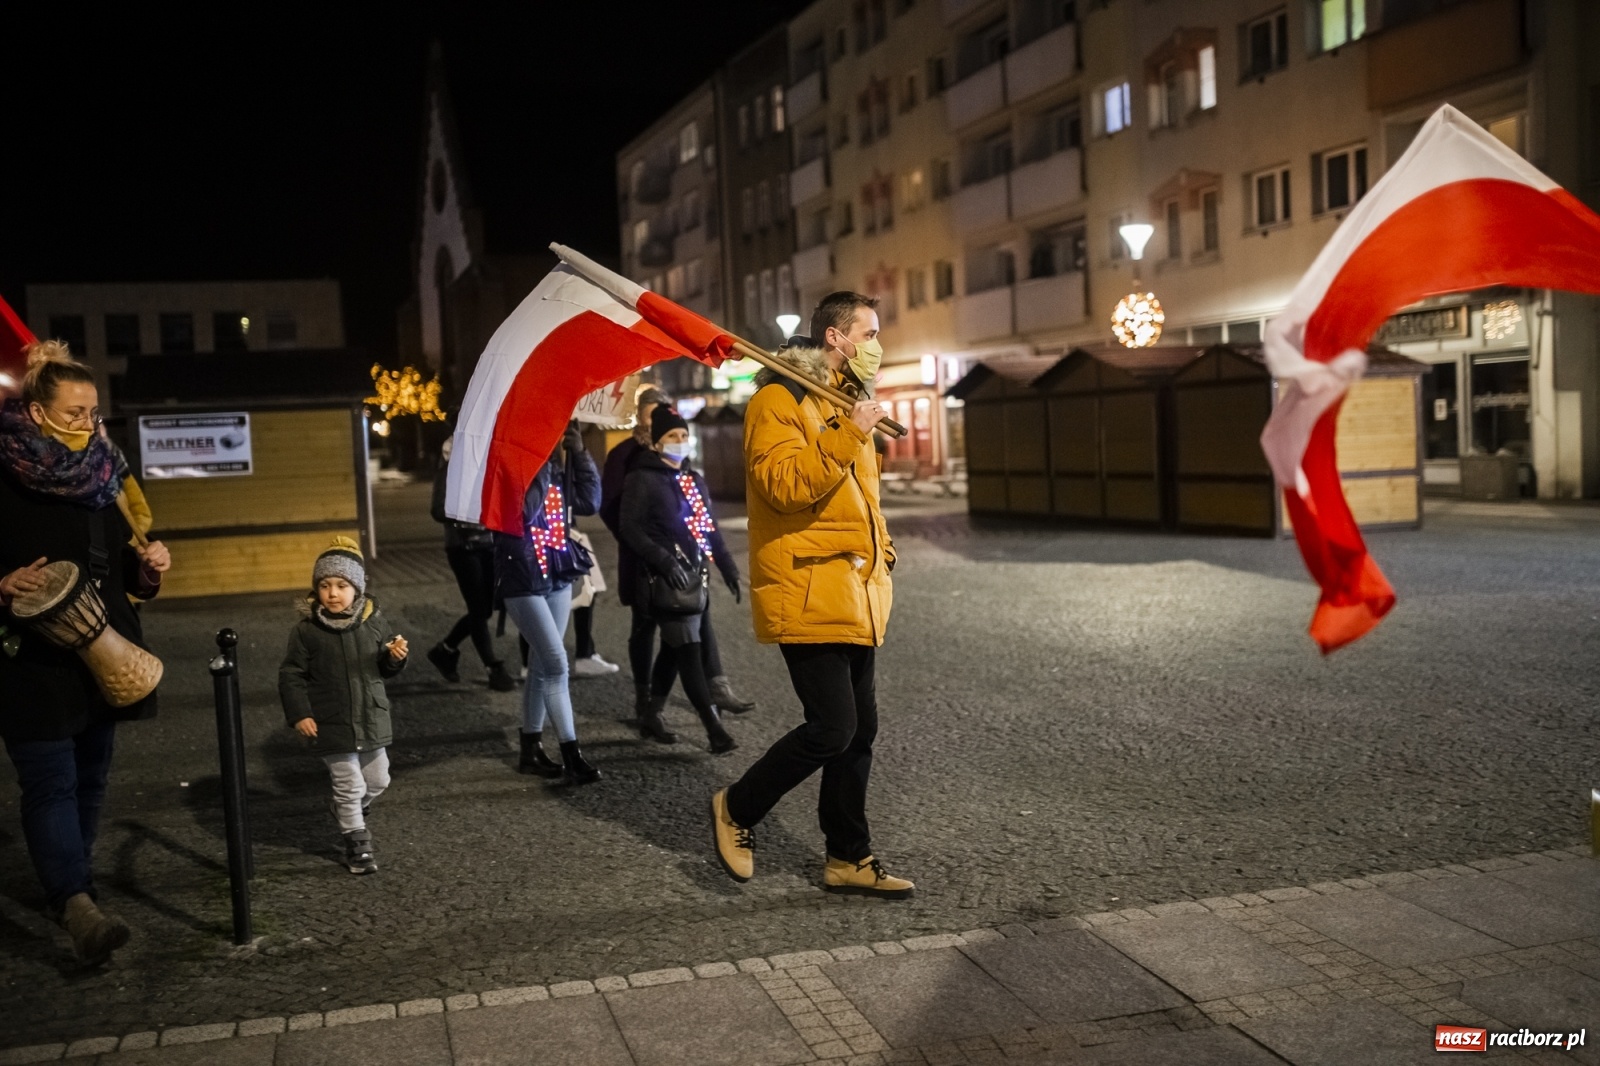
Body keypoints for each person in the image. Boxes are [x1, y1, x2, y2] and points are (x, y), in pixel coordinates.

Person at [710, 292, 913, 899]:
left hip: (856, 588)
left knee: (860, 731)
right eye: (869, 332)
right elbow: (783, 485)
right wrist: (849, 435)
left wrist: (884, 549)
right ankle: (736, 808)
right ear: (834, 336)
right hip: (806, 585)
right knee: (832, 728)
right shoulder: (779, 399)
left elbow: (859, 503)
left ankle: (848, 857)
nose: (877, 345)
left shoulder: (845, 401)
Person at [0, 341, 172, 963]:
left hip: (105, 647)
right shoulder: (4, 467)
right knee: (50, 782)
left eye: (94, 412)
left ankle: (77, 889)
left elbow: (123, 565)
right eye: (75, 412)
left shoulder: (104, 468)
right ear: (37, 410)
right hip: (28, 659)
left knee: (92, 778)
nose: (89, 424)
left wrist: (148, 568)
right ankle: (75, 902)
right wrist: (1, 582)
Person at [601, 385, 753, 726]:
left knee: (694, 626)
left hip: (687, 564)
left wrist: (725, 565)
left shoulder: (686, 475)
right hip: (643, 563)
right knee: (644, 629)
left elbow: (704, 524)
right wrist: (646, 544)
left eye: (682, 433)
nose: (678, 439)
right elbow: (615, 511)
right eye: (655, 418)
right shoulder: (629, 460)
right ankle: (647, 699)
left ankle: (712, 690)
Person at [278, 537, 407, 875]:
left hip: (370, 718)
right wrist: (300, 714)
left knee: (378, 781)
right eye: (324, 585)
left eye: (341, 585)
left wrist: (394, 659)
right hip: (331, 721)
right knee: (350, 785)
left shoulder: (374, 623)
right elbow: (291, 675)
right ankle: (357, 842)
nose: (332, 593)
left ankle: (345, 809)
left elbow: (383, 668)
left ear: (357, 589)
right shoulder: (307, 631)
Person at [497, 420, 603, 784]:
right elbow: (523, 512)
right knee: (557, 664)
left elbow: (589, 502)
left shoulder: (560, 465)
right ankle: (572, 755)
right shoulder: (509, 462)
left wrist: (581, 454)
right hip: (522, 577)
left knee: (545, 666)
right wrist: (541, 461)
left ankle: (530, 749)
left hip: (557, 572)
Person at [426, 432, 516, 692]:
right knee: (479, 608)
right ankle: (493, 667)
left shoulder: (489, 456)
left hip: (489, 542)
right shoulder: (450, 462)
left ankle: (445, 650)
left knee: (487, 607)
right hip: (463, 546)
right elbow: (437, 508)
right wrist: (469, 510)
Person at [567, 520, 620, 678]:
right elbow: (589, 504)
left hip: (565, 528)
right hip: (557, 529)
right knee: (542, 595)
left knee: (587, 590)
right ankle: (531, 662)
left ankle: (585, 653)